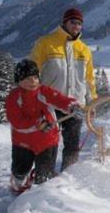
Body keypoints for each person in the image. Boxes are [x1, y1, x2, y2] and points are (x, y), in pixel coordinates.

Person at [30, 8, 97, 171]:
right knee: (48, 147)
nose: (76, 26)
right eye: (73, 22)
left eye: (79, 23)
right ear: (65, 22)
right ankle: (43, 182)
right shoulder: (45, 43)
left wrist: (92, 102)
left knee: (72, 146)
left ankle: (68, 180)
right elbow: (31, 74)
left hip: (75, 105)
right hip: (49, 105)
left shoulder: (84, 49)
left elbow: (89, 79)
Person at [5, 59, 79, 190]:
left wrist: (71, 105)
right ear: (19, 80)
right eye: (27, 79)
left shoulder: (44, 91)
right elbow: (16, 120)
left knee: (44, 176)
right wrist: (38, 123)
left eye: (35, 77)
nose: (32, 82)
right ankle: (19, 182)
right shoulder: (14, 97)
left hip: (47, 141)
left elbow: (59, 99)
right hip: (23, 142)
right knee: (20, 170)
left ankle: (41, 194)